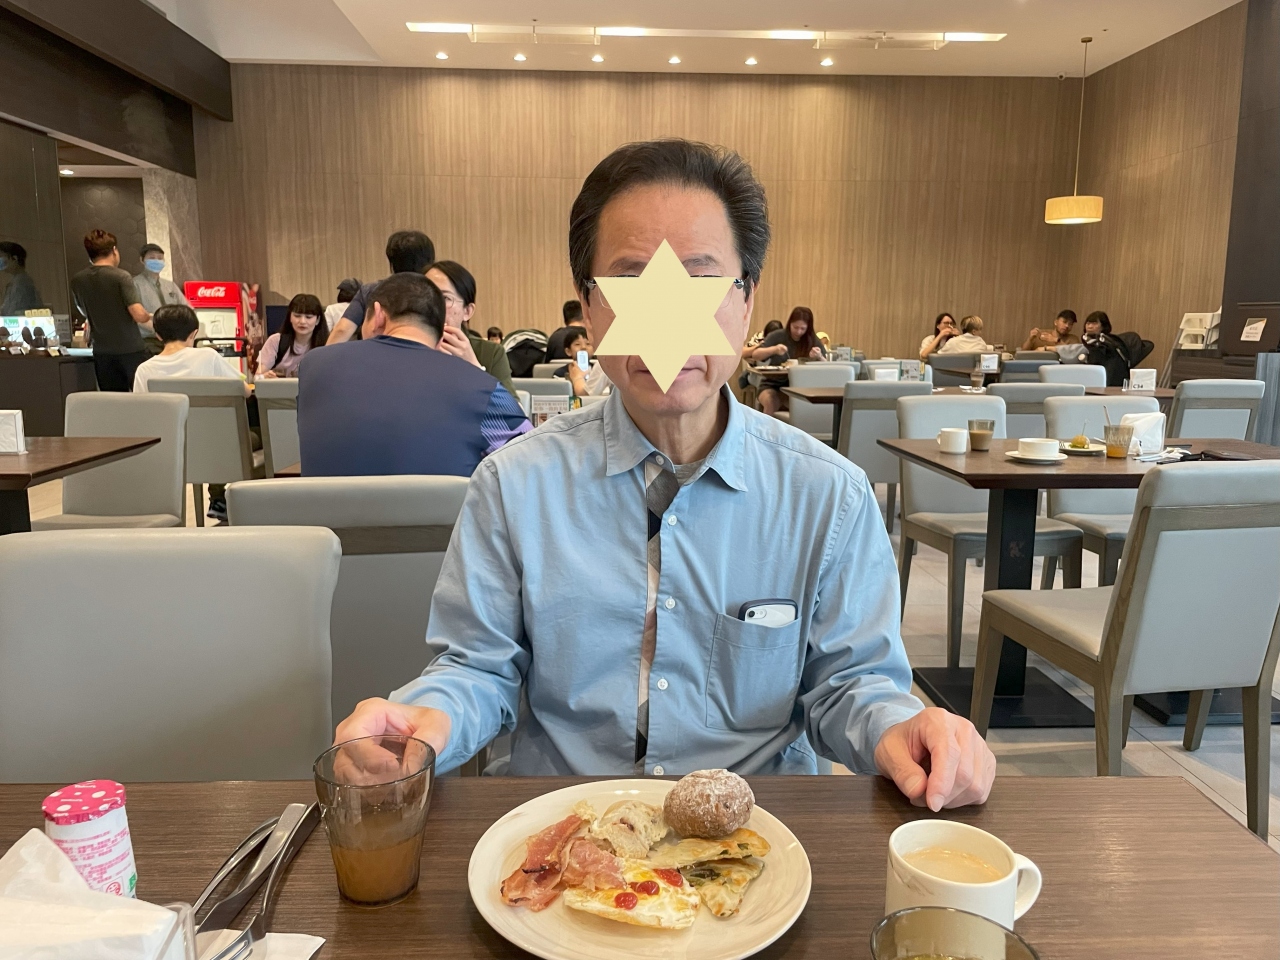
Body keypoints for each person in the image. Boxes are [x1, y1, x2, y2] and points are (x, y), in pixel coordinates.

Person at [334, 139, 994, 811]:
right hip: (566, 826)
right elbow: (478, 666)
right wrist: (428, 717)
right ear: (590, 307)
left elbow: (851, 684)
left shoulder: (829, 496)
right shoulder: (513, 485)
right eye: (632, 285)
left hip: (757, 834)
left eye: (699, 284)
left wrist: (901, 728)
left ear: (745, 300)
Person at [297, 272, 530, 477]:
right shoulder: (483, 388)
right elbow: (528, 458)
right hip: (445, 515)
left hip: (328, 516)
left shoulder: (313, 366)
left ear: (378, 315)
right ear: (441, 333)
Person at [69, 230, 153, 391]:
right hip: (130, 350)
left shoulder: (78, 280)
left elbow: (83, 311)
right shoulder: (121, 276)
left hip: (102, 353)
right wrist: (150, 316)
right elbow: (138, 314)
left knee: (113, 400)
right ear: (114, 250)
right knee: (142, 396)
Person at [424, 260, 517, 397]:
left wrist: (473, 367)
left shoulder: (490, 353)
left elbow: (514, 410)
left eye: (445, 298)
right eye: (426, 296)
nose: (432, 305)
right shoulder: (407, 348)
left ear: (467, 311)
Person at [327, 231, 436, 345]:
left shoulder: (371, 290)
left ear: (391, 261)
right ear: (430, 260)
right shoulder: (435, 292)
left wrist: (325, 355)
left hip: (375, 353)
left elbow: (342, 330)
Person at [133, 303, 248, 394]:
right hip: (206, 418)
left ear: (158, 335)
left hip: (165, 418)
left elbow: (142, 408)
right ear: (193, 334)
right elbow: (245, 390)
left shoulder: (144, 369)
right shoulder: (208, 356)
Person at [751, 306, 826, 415]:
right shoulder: (778, 336)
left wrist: (819, 356)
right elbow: (755, 355)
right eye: (795, 327)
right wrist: (774, 349)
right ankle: (767, 426)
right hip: (772, 385)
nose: (798, 331)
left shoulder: (812, 340)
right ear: (790, 323)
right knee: (771, 401)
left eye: (803, 328)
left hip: (800, 389)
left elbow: (827, 366)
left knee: (807, 404)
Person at [133, 243, 189, 355]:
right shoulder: (134, 284)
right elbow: (135, 316)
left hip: (175, 341)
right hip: (148, 342)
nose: (156, 261)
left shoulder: (170, 286)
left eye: (160, 258)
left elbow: (187, 310)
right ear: (142, 260)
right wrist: (159, 331)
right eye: (152, 257)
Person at [257, 293, 328, 380]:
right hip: (280, 389)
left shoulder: (327, 344)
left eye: (308, 317)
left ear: (317, 320)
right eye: (297, 316)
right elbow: (258, 377)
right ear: (290, 317)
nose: (302, 321)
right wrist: (263, 377)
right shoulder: (275, 341)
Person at [552, 325, 612, 397]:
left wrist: (577, 378)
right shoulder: (560, 372)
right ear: (568, 351)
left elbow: (587, 395)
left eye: (588, 344)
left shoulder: (599, 367)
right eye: (577, 344)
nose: (583, 347)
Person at [0, 242, 44, 315]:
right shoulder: (16, 281)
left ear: (14, 259)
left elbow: (14, 312)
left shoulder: (22, 283)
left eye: (1, 257)